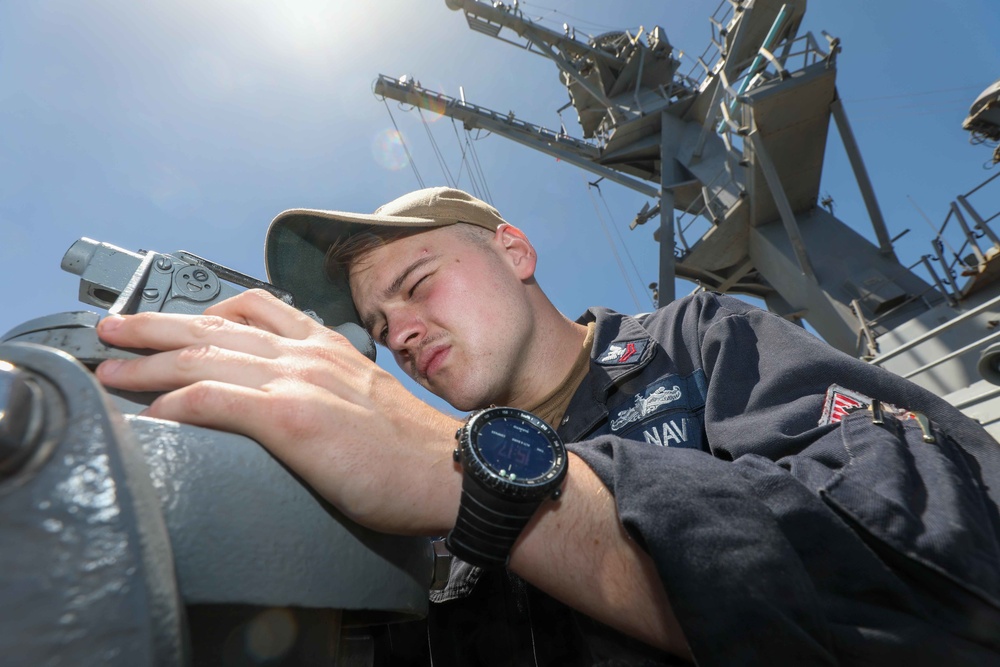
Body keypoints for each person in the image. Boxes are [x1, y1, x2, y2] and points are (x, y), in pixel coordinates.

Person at [94, 186, 1000, 665]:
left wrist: (459, 476)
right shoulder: (420, 531)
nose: (398, 331)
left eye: (416, 285)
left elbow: (939, 574)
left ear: (514, 252)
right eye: (377, 328)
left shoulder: (701, 340)